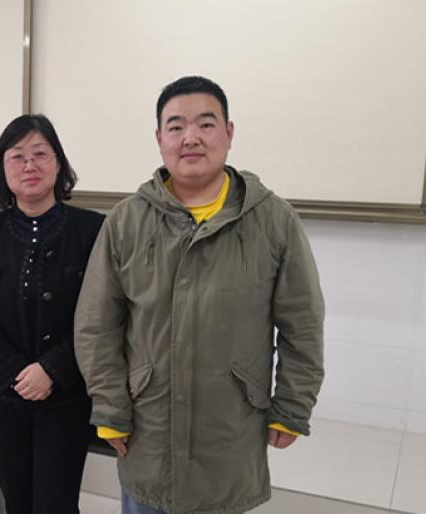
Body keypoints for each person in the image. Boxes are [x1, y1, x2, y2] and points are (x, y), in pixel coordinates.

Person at [74, 76, 325, 514]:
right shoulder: (126, 221)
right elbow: (96, 325)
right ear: (159, 139)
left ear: (229, 133)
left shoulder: (273, 220)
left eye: (205, 124)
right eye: (176, 126)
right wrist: (110, 406)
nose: (190, 137)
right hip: (149, 431)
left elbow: (302, 323)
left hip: (230, 432)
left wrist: (293, 404)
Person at [0, 114, 104, 514]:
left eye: (40, 154)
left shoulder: (92, 230)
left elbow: (101, 315)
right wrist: (16, 374)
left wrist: (51, 370)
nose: (29, 165)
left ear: (58, 164)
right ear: (2, 168)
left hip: (67, 394)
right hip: (3, 394)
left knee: (57, 505)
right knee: (17, 502)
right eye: (17, 156)